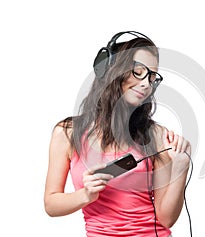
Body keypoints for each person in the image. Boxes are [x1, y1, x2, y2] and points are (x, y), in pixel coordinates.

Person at [44, 31, 191, 237]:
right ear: (110, 69)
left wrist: (180, 168)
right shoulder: (67, 134)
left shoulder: (156, 136)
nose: (146, 84)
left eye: (151, 77)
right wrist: (85, 195)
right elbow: (51, 204)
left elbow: (166, 219)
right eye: (138, 71)